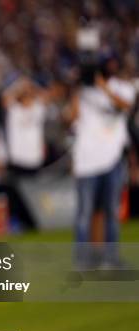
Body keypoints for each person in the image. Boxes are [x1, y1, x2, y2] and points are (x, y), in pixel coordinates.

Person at [68, 63, 135, 268]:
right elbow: (72, 117)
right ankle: (83, 259)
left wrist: (103, 87)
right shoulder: (83, 94)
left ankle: (110, 258)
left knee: (111, 214)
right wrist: (77, 89)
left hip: (113, 161)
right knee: (85, 214)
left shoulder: (120, 88)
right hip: (87, 164)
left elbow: (126, 106)